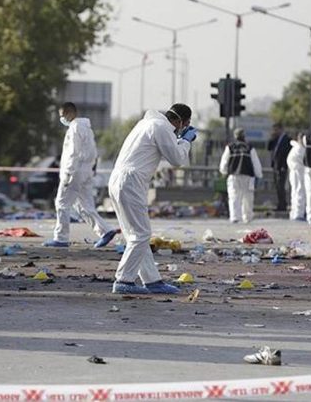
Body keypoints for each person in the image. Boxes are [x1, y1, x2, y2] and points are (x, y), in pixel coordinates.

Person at [109, 104, 197, 294]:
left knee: (136, 235)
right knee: (140, 235)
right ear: (183, 122)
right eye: (185, 125)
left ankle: (152, 280)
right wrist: (186, 141)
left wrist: (179, 139)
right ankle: (123, 280)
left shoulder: (147, 123)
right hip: (131, 182)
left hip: (119, 180)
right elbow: (177, 159)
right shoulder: (162, 127)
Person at [44, 102, 118, 248]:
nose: (61, 119)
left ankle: (61, 238)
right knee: (84, 206)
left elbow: (73, 153)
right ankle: (106, 230)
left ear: (69, 113)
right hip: (86, 171)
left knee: (62, 203)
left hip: (75, 172)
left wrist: (68, 174)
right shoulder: (87, 128)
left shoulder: (75, 128)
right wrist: (92, 168)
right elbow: (93, 151)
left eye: (62, 116)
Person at [219, 128, 263, 223]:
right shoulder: (249, 147)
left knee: (234, 196)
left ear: (235, 136)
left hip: (234, 175)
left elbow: (224, 162)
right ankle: (247, 217)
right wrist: (258, 175)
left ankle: (235, 217)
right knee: (248, 197)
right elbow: (256, 162)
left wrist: (224, 172)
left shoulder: (230, 147)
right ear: (244, 136)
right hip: (248, 176)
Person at [267, 123, 291, 212]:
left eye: (276, 130)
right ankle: (280, 204)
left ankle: (283, 205)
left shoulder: (287, 139)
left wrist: (285, 165)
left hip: (282, 166)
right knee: (277, 186)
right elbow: (269, 148)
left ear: (281, 129)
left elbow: (287, 153)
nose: (275, 132)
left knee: (281, 186)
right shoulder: (275, 139)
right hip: (276, 166)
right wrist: (271, 138)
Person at [286, 131, 306, 221]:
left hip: (295, 173)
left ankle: (294, 213)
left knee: (295, 193)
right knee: (299, 192)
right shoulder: (300, 149)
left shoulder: (295, 148)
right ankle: (298, 213)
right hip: (299, 173)